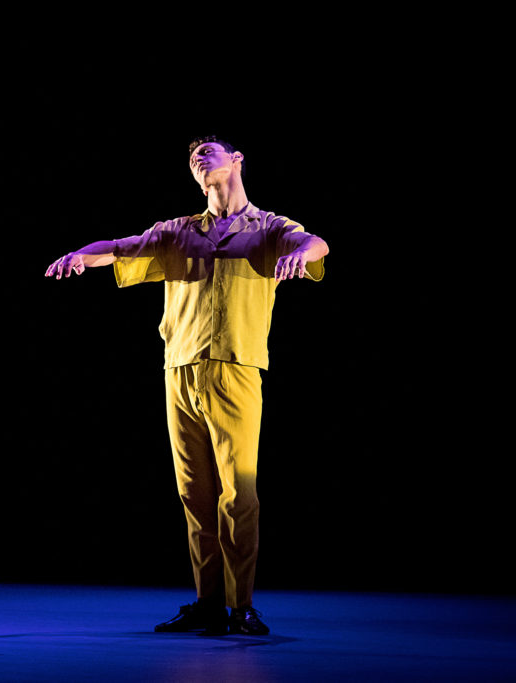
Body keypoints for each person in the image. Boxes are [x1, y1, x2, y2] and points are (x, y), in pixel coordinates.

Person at [45, 136, 328, 636]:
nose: (199, 161)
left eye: (209, 152)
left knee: (238, 493)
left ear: (237, 160)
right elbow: (117, 247)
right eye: (193, 159)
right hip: (181, 369)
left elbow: (315, 244)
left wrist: (302, 252)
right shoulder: (178, 232)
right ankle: (208, 602)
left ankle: (242, 605)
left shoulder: (267, 227)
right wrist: (78, 256)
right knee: (194, 493)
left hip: (236, 367)